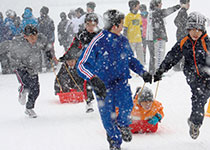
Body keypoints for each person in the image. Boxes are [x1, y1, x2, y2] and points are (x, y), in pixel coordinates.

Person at [77, 9, 152, 150]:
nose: (123, 27)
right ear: (115, 25)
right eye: (122, 24)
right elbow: (81, 65)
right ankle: (114, 141)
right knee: (108, 117)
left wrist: (143, 72)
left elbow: (130, 60)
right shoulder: (97, 41)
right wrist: (93, 79)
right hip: (103, 86)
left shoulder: (123, 40)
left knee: (126, 107)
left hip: (121, 83)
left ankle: (123, 125)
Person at [153, 12, 210, 140]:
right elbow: (172, 57)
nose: (195, 33)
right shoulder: (184, 42)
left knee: (203, 96)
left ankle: (193, 119)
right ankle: (195, 123)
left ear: (203, 29)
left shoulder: (207, 43)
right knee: (199, 96)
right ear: (188, 29)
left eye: (198, 30)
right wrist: (161, 70)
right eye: (192, 30)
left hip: (208, 75)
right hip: (192, 74)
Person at [0, 24, 53, 118]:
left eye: (35, 36)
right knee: (27, 84)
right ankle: (22, 91)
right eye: (31, 37)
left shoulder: (40, 39)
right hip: (20, 66)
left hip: (33, 66)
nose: (34, 39)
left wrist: (49, 54)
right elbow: (4, 47)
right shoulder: (17, 42)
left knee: (36, 89)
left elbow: (46, 45)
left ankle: (29, 108)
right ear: (25, 36)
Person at [55, 48, 95, 113]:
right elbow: (58, 78)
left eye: (72, 61)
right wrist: (57, 89)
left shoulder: (79, 67)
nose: (70, 63)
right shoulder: (64, 67)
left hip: (79, 85)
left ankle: (88, 101)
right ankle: (66, 92)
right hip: (68, 86)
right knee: (63, 77)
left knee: (85, 84)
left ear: (75, 60)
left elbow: (86, 79)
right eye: (68, 62)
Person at [146, 0, 180, 74]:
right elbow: (167, 11)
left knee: (153, 57)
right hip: (157, 38)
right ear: (156, 4)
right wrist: (178, 6)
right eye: (160, 3)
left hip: (150, 38)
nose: (161, 4)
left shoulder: (151, 12)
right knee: (158, 56)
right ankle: (157, 72)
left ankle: (152, 72)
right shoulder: (156, 12)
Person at [124, 0, 145, 65]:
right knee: (130, 57)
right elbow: (125, 28)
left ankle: (141, 70)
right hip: (131, 41)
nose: (139, 7)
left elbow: (141, 27)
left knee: (141, 57)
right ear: (134, 6)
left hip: (139, 40)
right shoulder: (128, 16)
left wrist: (142, 36)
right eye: (138, 5)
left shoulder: (139, 16)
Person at [38, 6, 57, 71]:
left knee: (48, 52)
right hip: (45, 39)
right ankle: (49, 65)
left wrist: (49, 39)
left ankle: (51, 65)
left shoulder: (47, 20)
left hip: (47, 39)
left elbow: (50, 30)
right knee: (46, 52)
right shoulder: (43, 20)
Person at [173, 0, 190, 71]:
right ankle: (178, 66)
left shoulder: (182, 11)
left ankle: (178, 65)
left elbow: (176, 21)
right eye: (188, 3)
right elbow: (176, 21)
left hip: (181, 33)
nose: (189, 5)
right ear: (184, 4)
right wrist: (183, 28)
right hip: (182, 34)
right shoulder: (183, 11)